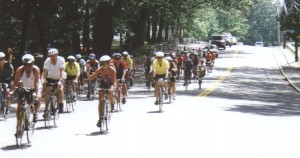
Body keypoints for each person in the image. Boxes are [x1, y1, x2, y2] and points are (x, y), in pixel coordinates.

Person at [11, 54, 42, 123]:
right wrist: (11, 91)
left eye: (29, 65)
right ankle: (19, 124)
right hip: (24, 87)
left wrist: (36, 95)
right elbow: (15, 82)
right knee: (19, 104)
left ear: (33, 63)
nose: (27, 67)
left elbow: (36, 83)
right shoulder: (20, 70)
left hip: (34, 86)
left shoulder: (36, 70)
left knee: (38, 98)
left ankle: (35, 113)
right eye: (25, 65)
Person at [87, 55, 116, 127]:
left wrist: (113, 88)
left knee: (110, 92)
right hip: (103, 84)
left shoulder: (112, 70)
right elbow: (91, 78)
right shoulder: (99, 70)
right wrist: (87, 72)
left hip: (110, 83)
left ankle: (112, 104)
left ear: (108, 63)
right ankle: (100, 118)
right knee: (100, 101)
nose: (103, 65)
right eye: (102, 63)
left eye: (105, 63)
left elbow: (114, 81)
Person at [41, 48, 65, 113]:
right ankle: (46, 108)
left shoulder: (61, 60)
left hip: (59, 77)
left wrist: (60, 81)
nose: (52, 57)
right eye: (51, 56)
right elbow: (45, 72)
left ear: (57, 54)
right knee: (47, 91)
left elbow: (62, 71)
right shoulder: (47, 61)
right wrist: (43, 80)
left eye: (54, 55)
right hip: (50, 77)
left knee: (60, 90)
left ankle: (61, 103)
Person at [0, 48, 14, 115]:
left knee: (8, 94)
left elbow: (10, 60)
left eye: (2, 59)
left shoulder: (7, 64)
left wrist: (10, 54)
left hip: (8, 80)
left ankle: (7, 107)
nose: (0, 60)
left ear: (4, 59)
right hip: (1, 80)